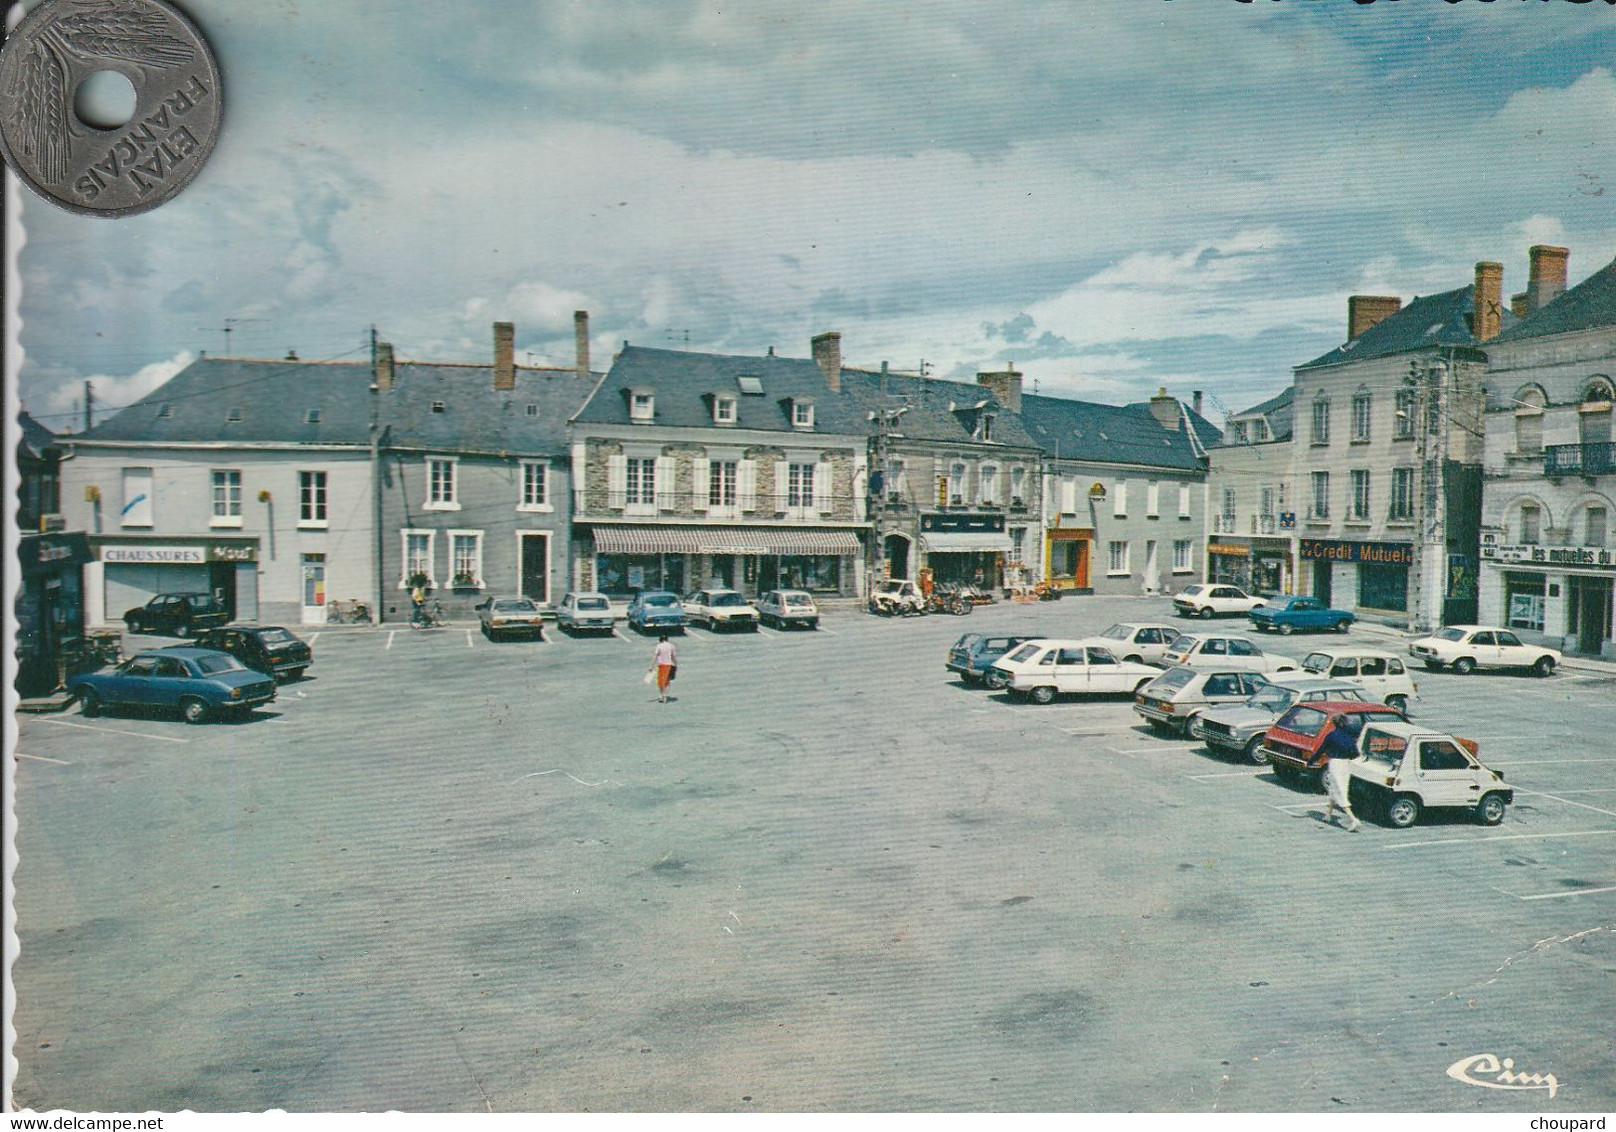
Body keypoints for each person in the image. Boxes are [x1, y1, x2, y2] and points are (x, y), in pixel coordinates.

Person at [1319, 713, 1362, 832]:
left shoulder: (1331, 736)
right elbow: (1355, 754)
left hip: (1335, 764)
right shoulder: (1349, 737)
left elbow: (1321, 750)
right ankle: (1328, 814)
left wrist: (1311, 761)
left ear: (1334, 724)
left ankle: (1353, 819)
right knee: (1335, 788)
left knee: (1340, 792)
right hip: (1346, 764)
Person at [650, 633, 678, 704]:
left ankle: (661, 695)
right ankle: (665, 696)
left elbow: (655, 656)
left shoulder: (659, 646)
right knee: (667, 682)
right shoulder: (672, 646)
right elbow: (674, 657)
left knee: (660, 682)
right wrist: (675, 664)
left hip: (661, 665)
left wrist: (651, 666)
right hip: (669, 665)